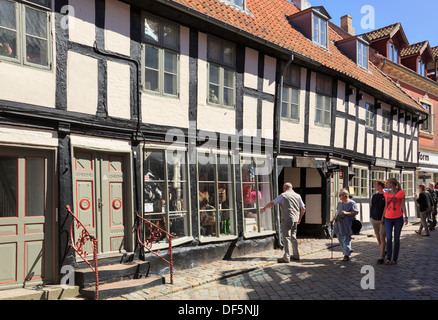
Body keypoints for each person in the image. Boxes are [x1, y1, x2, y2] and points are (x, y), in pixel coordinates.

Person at [261, 182, 305, 263]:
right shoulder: (298, 196)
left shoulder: (284, 195)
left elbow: (272, 203)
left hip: (287, 218)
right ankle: (296, 255)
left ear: (285, 187)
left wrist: (264, 208)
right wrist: (300, 218)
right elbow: (303, 208)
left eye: (283, 188)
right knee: (293, 237)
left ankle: (286, 257)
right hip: (295, 218)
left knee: (286, 237)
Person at [381, 178, 408, 265]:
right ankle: (388, 257)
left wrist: (406, 216)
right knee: (388, 238)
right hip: (388, 218)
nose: (386, 184)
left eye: (387, 183)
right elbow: (385, 206)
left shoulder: (401, 193)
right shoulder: (386, 193)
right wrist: (383, 217)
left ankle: (394, 259)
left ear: (391, 184)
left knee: (396, 239)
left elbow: (403, 205)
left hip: (398, 218)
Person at [330, 188, 359, 262]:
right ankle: (347, 250)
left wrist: (346, 213)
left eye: (340, 195)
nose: (339, 196)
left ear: (345, 195)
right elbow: (337, 212)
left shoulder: (352, 203)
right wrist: (333, 219)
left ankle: (346, 255)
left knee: (346, 238)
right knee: (340, 238)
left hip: (347, 223)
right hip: (338, 223)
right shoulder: (340, 203)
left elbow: (356, 212)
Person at [370, 180, 386, 264]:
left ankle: (382, 256)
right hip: (374, 219)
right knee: (377, 236)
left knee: (382, 236)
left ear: (380, 186)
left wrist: (384, 217)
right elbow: (372, 206)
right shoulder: (374, 196)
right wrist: (371, 216)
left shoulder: (386, 195)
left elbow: (386, 208)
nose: (374, 186)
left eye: (376, 185)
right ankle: (383, 249)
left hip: (382, 220)